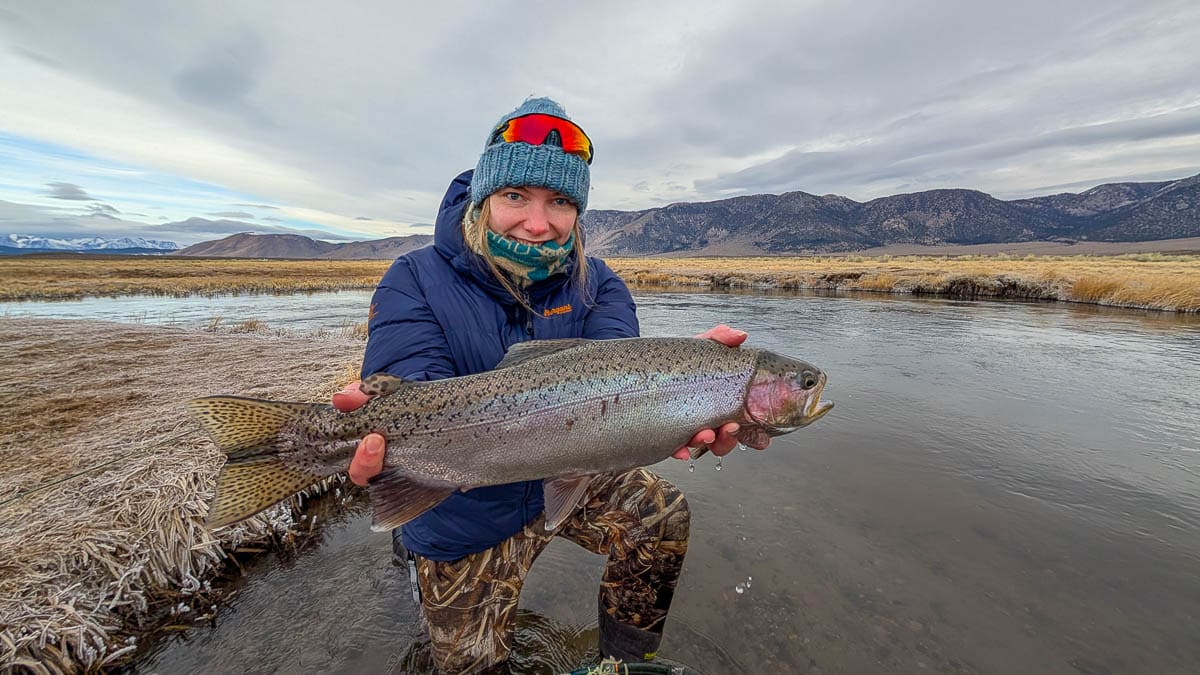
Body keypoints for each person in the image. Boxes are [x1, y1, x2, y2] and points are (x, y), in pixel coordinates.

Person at [331, 97, 766, 674]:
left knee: (662, 514)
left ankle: (623, 664)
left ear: (578, 212)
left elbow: (616, 373)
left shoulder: (598, 282)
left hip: (568, 476)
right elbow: (413, 392)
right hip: (464, 510)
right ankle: (412, 560)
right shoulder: (413, 278)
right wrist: (381, 450)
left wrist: (693, 380)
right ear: (484, 198)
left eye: (560, 201)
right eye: (516, 197)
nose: (538, 223)